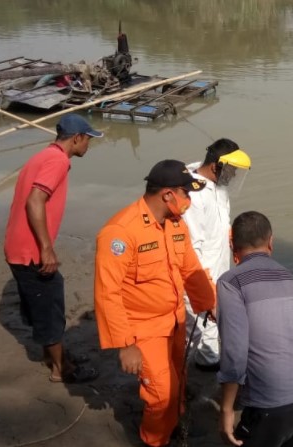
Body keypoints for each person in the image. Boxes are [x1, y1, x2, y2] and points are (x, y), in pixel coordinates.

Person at [94, 160, 216, 447]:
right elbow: (107, 292)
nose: (189, 201)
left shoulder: (175, 224)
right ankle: (154, 440)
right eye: (186, 194)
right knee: (161, 393)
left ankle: (174, 423)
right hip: (143, 327)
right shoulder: (120, 232)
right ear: (167, 195)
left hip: (174, 320)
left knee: (178, 379)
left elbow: (190, 267)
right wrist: (125, 344)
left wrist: (208, 301)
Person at [4, 113, 102, 384]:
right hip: (29, 250)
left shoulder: (44, 156)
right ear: (77, 138)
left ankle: (56, 357)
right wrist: (46, 248)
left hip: (18, 245)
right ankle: (62, 369)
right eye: (88, 140)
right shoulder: (57, 160)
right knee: (50, 307)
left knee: (46, 302)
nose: (88, 146)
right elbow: (35, 201)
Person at [217, 211, 293, 447]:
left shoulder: (230, 281)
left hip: (272, 401)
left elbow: (234, 353)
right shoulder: (290, 278)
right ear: (271, 242)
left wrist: (226, 410)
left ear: (231, 244)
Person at [183, 138, 251, 372]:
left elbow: (220, 224)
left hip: (218, 266)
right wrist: (204, 285)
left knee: (212, 319)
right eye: (230, 170)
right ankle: (174, 381)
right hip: (199, 273)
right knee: (191, 329)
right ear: (215, 167)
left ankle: (208, 359)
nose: (232, 176)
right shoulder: (193, 195)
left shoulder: (218, 187)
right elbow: (191, 247)